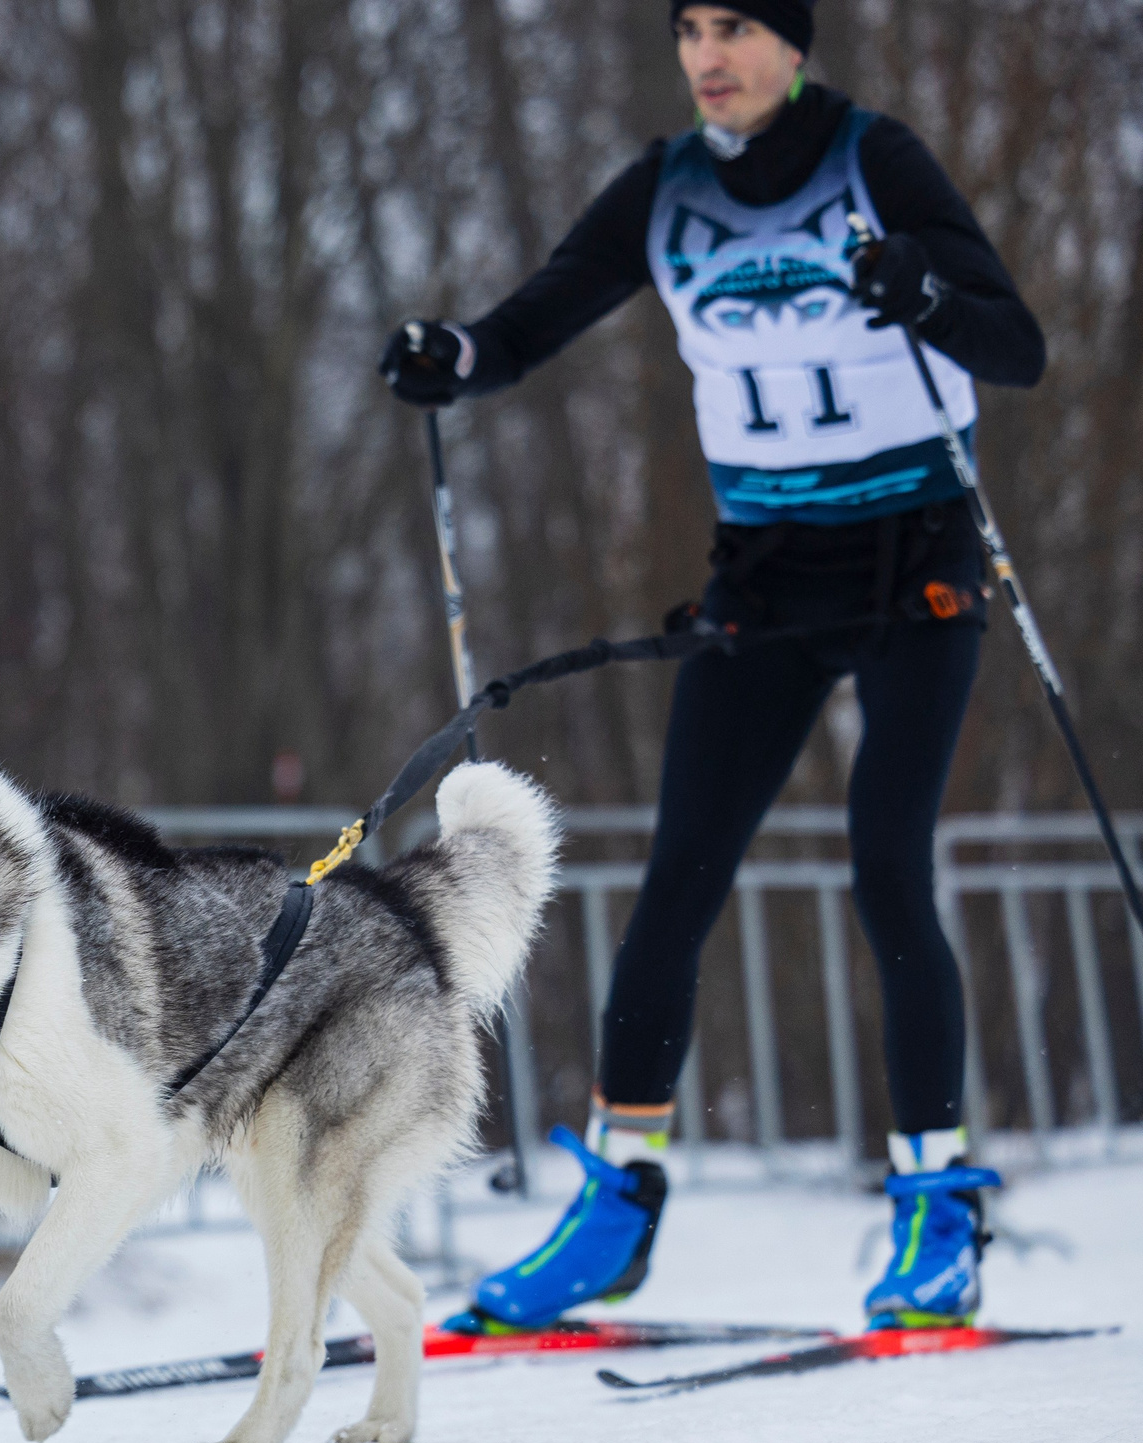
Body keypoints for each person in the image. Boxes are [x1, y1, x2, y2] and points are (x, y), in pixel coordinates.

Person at [378, 0, 1043, 1333]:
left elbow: (1013, 345)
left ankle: (936, 1211)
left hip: (915, 554)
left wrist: (920, 286)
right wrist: (451, 355)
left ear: (793, 44)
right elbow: (522, 330)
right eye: (688, 28)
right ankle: (616, 1208)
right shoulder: (666, 188)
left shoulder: (876, 158)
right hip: (768, 575)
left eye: (737, 25)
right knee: (677, 880)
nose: (708, 55)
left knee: (888, 863)